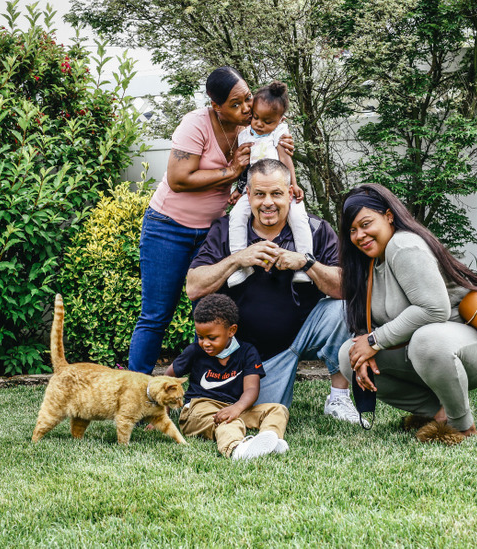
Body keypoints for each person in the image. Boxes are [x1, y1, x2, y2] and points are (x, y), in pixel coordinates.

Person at [127, 66, 292, 375]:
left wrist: (284, 152)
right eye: (235, 104)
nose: (246, 108)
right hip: (168, 227)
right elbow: (178, 178)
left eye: (247, 98)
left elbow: (270, 161)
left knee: (209, 315)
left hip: (214, 232)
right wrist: (230, 172)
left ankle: (200, 391)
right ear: (216, 106)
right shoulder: (196, 124)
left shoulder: (254, 126)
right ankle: (136, 394)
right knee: (156, 315)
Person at [185, 158, 362, 423]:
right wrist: (237, 259)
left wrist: (306, 262)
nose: (268, 202)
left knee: (344, 308)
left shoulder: (314, 229)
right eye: (260, 194)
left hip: (302, 337)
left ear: (290, 194)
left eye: (276, 193)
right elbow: (193, 287)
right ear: (248, 195)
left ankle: (338, 398)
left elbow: (348, 287)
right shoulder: (226, 230)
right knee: (253, 415)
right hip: (249, 354)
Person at [337, 183, 477, 443]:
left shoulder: (403, 245)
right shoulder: (371, 261)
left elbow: (434, 309)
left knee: (426, 339)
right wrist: (364, 348)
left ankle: (461, 426)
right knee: (348, 355)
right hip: (424, 351)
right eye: (352, 230)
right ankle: (437, 414)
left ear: (388, 216)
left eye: (366, 224)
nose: (359, 235)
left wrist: (374, 341)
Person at [165, 294, 289, 460]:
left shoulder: (247, 352)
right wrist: (162, 415)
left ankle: (271, 440)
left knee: (278, 409)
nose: (205, 343)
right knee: (229, 422)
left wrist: (237, 408)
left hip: (233, 407)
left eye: (212, 338)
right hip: (199, 410)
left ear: (231, 331)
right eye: (201, 337)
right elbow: (167, 379)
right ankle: (237, 449)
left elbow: (252, 389)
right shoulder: (194, 352)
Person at [227, 81, 312, 287]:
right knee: (236, 216)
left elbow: (285, 159)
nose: (258, 124)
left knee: (299, 217)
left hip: (280, 190)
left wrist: (295, 184)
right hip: (253, 191)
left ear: (280, 120)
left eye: (267, 121)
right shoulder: (245, 134)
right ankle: (240, 264)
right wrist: (238, 190)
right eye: (255, 117)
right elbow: (244, 166)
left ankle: (304, 262)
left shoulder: (279, 133)